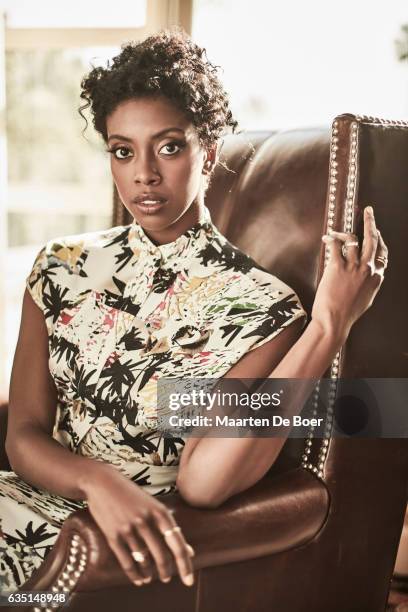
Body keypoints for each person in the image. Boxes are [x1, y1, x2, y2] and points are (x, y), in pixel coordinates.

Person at [0, 28, 388, 593]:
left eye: (170, 145)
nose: (144, 174)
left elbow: (205, 483)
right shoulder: (62, 266)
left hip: (112, 545)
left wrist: (328, 327)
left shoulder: (259, 307)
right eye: (122, 150)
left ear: (209, 149)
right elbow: (25, 432)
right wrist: (96, 483)